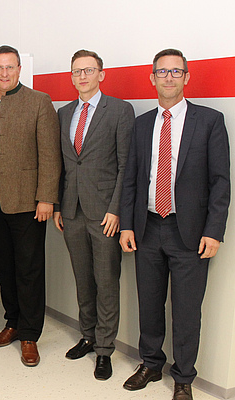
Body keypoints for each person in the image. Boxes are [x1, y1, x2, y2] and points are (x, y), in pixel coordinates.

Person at [120, 49, 230, 400]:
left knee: (186, 310)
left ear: (186, 78)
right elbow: (132, 180)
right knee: (149, 303)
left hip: (191, 232)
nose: (168, 77)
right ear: (152, 78)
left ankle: (183, 376)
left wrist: (214, 230)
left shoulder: (210, 121)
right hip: (148, 227)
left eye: (175, 71)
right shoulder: (141, 124)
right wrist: (126, 225)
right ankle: (151, 363)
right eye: (161, 71)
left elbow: (221, 182)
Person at [0, 45, 61, 367]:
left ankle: (29, 335)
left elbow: (50, 154)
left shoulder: (39, 102)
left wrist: (47, 198)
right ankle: (12, 321)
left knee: (29, 270)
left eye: (10, 67)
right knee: (4, 267)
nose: (4, 73)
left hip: (29, 203)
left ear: (19, 69)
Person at [54, 50, 135, 380]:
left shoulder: (119, 110)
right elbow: (62, 164)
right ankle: (87, 335)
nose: (82, 76)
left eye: (88, 70)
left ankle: (104, 349)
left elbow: (125, 166)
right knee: (83, 279)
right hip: (71, 211)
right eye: (76, 71)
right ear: (71, 77)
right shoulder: (64, 113)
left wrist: (116, 209)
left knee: (105, 281)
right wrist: (59, 205)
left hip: (104, 214)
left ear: (101, 74)